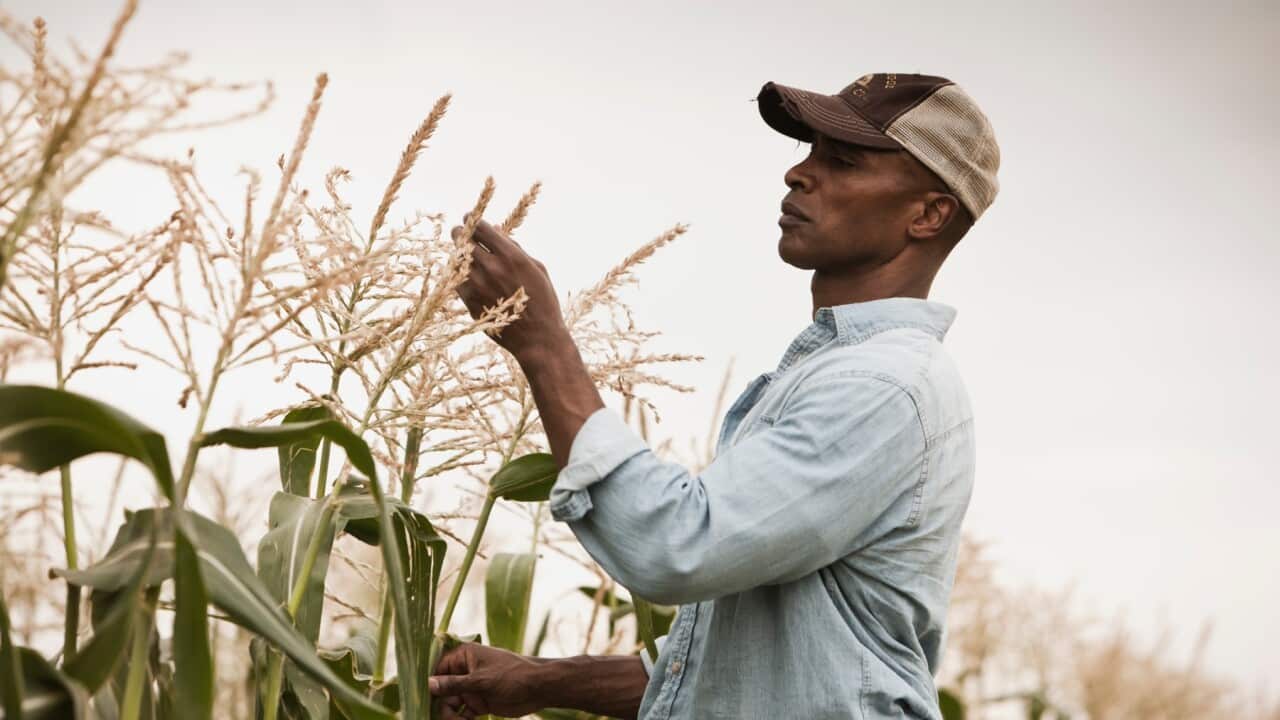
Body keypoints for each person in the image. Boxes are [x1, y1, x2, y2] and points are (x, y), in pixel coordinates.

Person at [432, 72, 1000, 720]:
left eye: (841, 161)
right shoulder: (845, 373)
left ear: (927, 214)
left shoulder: (882, 389)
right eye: (807, 152)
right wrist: (537, 682)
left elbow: (679, 546)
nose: (800, 174)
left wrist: (545, 348)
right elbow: (749, 675)